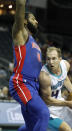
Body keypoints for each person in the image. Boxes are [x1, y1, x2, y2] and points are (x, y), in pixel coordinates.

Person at [9, 0, 49, 131]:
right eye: (33, 19)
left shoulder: (35, 43)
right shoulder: (20, 34)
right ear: (25, 21)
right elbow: (20, 5)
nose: (37, 21)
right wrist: (21, 3)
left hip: (33, 88)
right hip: (22, 83)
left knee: (30, 127)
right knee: (44, 114)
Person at [39, 46, 72, 131]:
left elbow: (65, 79)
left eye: (54, 58)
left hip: (61, 104)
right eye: (48, 59)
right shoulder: (44, 76)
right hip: (48, 110)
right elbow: (47, 100)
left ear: (60, 59)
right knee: (67, 129)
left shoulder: (65, 65)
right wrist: (69, 103)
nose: (51, 62)